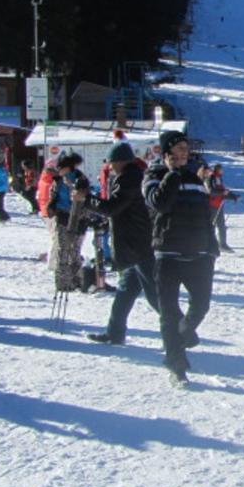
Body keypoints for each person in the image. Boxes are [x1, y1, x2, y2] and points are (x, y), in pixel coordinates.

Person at [143, 131, 219, 385]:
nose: (184, 152)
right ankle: (176, 363)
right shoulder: (153, 176)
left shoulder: (194, 178)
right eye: (179, 149)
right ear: (166, 153)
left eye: (186, 148)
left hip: (198, 253)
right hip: (168, 252)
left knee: (201, 304)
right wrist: (172, 174)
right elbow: (159, 204)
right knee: (168, 311)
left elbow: (205, 215)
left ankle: (183, 334)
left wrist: (212, 248)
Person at [83, 142, 160, 345]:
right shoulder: (134, 175)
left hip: (138, 245)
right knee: (125, 293)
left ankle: (181, 330)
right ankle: (114, 332)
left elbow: (113, 207)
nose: (110, 166)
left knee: (155, 296)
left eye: (111, 163)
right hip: (135, 244)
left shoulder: (129, 178)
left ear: (120, 161)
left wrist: (86, 200)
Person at [48, 151, 91, 293]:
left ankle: (77, 281)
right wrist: (51, 206)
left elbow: (85, 198)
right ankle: (62, 283)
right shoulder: (57, 180)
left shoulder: (80, 179)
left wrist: (72, 186)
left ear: (69, 166)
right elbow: (53, 196)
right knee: (62, 249)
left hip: (79, 218)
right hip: (62, 217)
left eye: (61, 167)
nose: (59, 170)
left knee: (75, 250)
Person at [205, 164, 234, 252]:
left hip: (219, 205)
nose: (222, 171)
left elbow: (222, 192)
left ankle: (223, 244)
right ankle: (209, 243)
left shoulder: (219, 179)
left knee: (222, 225)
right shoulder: (211, 178)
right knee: (212, 225)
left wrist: (233, 196)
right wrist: (223, 192)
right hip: (212, 205)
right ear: (217, 169)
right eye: (221, 169)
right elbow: (211, 191)